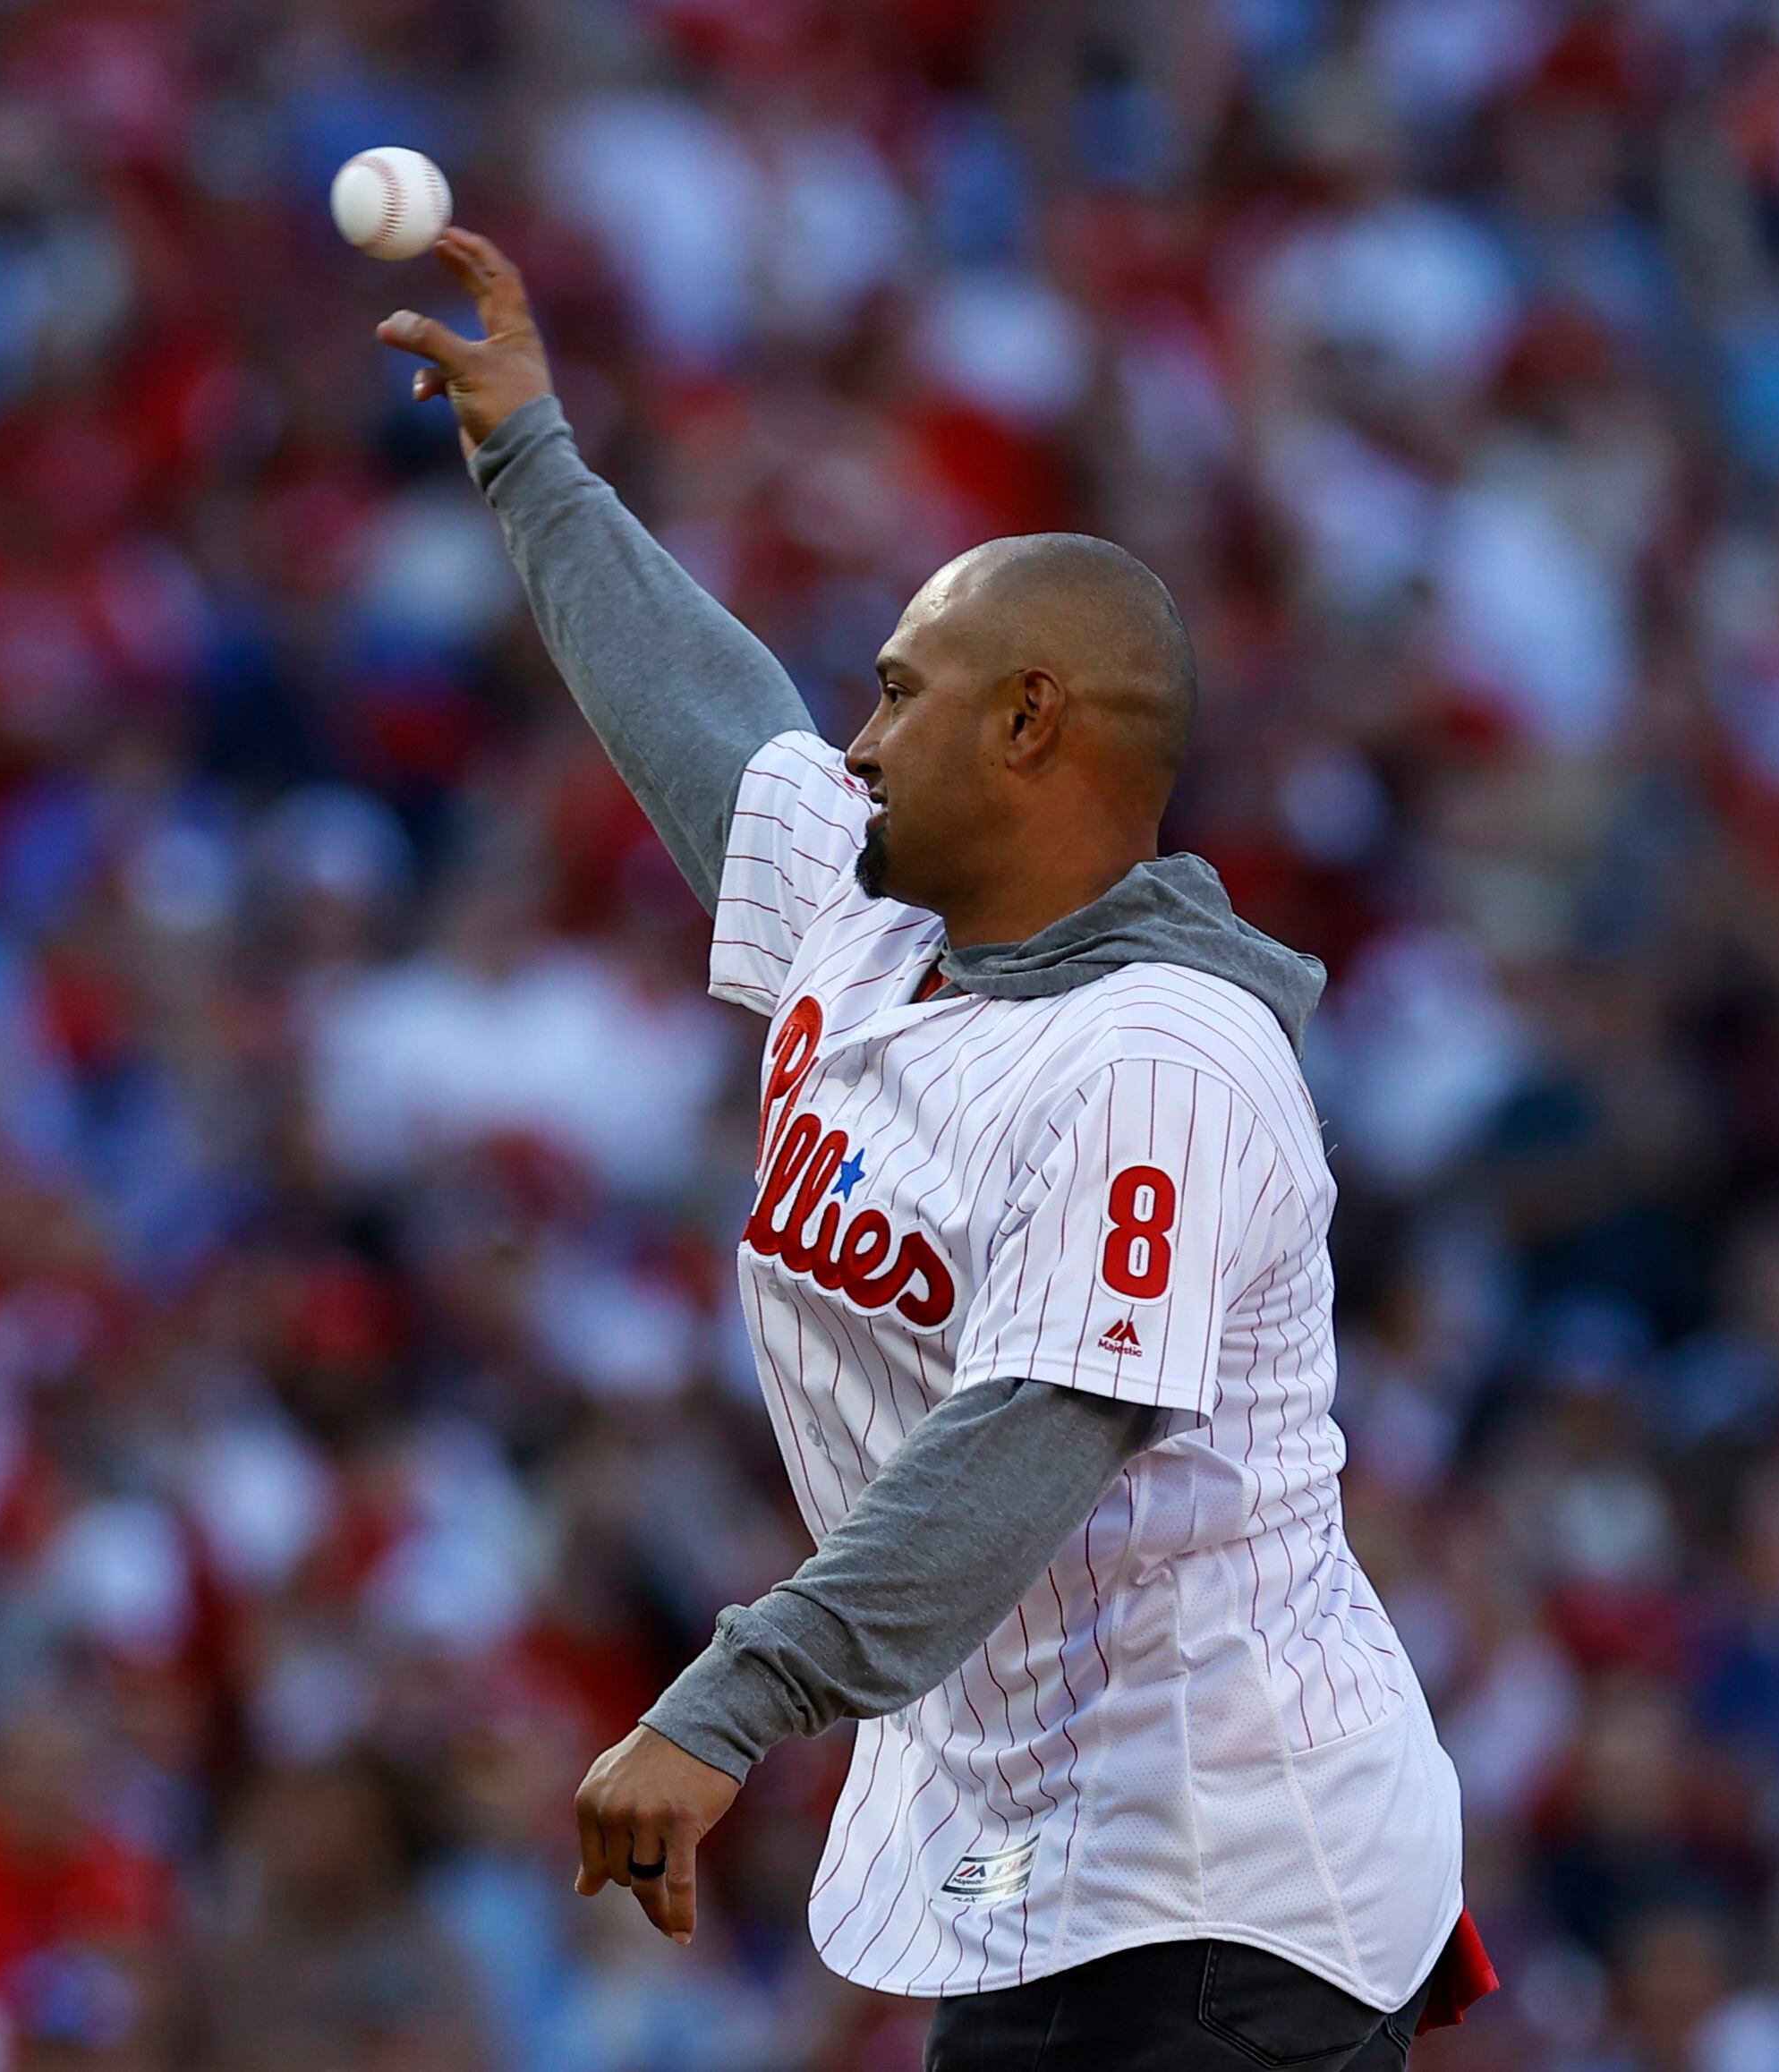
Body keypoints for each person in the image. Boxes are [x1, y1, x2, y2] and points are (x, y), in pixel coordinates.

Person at [379, 230, 1498, 2071]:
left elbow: (1032, 1435)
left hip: (1236, 1875)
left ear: (1033, 723)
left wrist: (729, 1704)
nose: (862, 733)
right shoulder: (892, 918)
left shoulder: (1169, 1054)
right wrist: (532, 458)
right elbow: (709, 723)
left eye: (903, 692)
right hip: (1052, 1856)